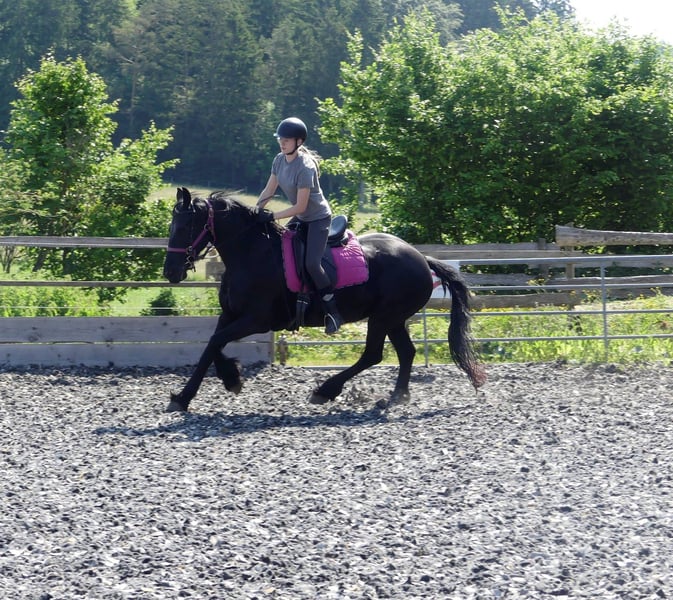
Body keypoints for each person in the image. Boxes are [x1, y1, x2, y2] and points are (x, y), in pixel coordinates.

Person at [255, 117, 344, 334]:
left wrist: (272, 216)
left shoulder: (305, 167)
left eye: (287, 140)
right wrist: (255, 211)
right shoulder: (279, 160)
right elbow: (269, 190)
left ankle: (333, 311)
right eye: (280, 139)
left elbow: (300, 206)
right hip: (302, 217)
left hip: (318, 218)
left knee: (312, 263)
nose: (282, 143)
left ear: (299, 142)